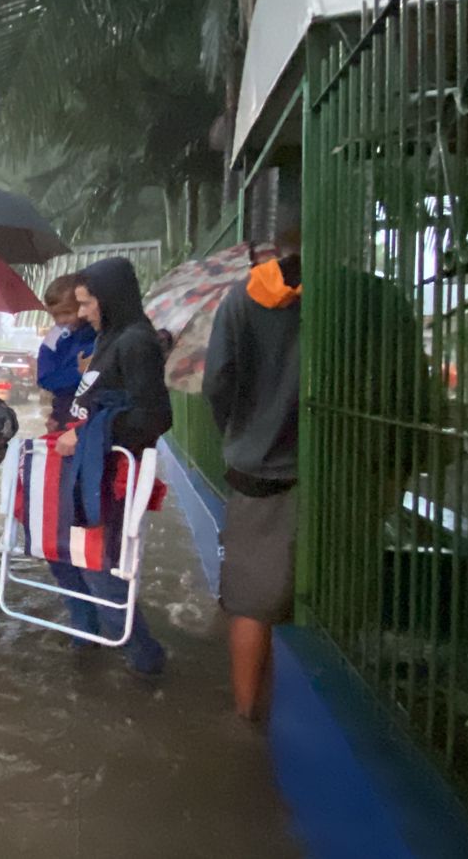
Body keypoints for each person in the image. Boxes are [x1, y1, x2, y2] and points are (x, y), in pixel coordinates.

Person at [55, 257, 171, 675]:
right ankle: (86, 635)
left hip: (112, 476)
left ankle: (144, 658)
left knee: (96, 564)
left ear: (110, 298)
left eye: (88, 303)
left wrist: (87, 433)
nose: (83, 312)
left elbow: (155, 417)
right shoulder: (110, 337)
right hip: (90, 469)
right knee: (64, 553)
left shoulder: (136, 342)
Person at [205, 235, 302, 722]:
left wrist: (239, 434)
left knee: (251, 603)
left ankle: (246, 717)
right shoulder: (368, 294)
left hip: (260, 469)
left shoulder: (242, 299)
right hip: (340, 469)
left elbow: (218, 382)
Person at [37, 274, 96, 433]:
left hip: (93, 412)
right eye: (55, 315)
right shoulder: (55, 337)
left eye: (67, 312)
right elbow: (45, 378)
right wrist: (79, 373)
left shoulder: (100, 333)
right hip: (64, 411)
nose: (61, 320)